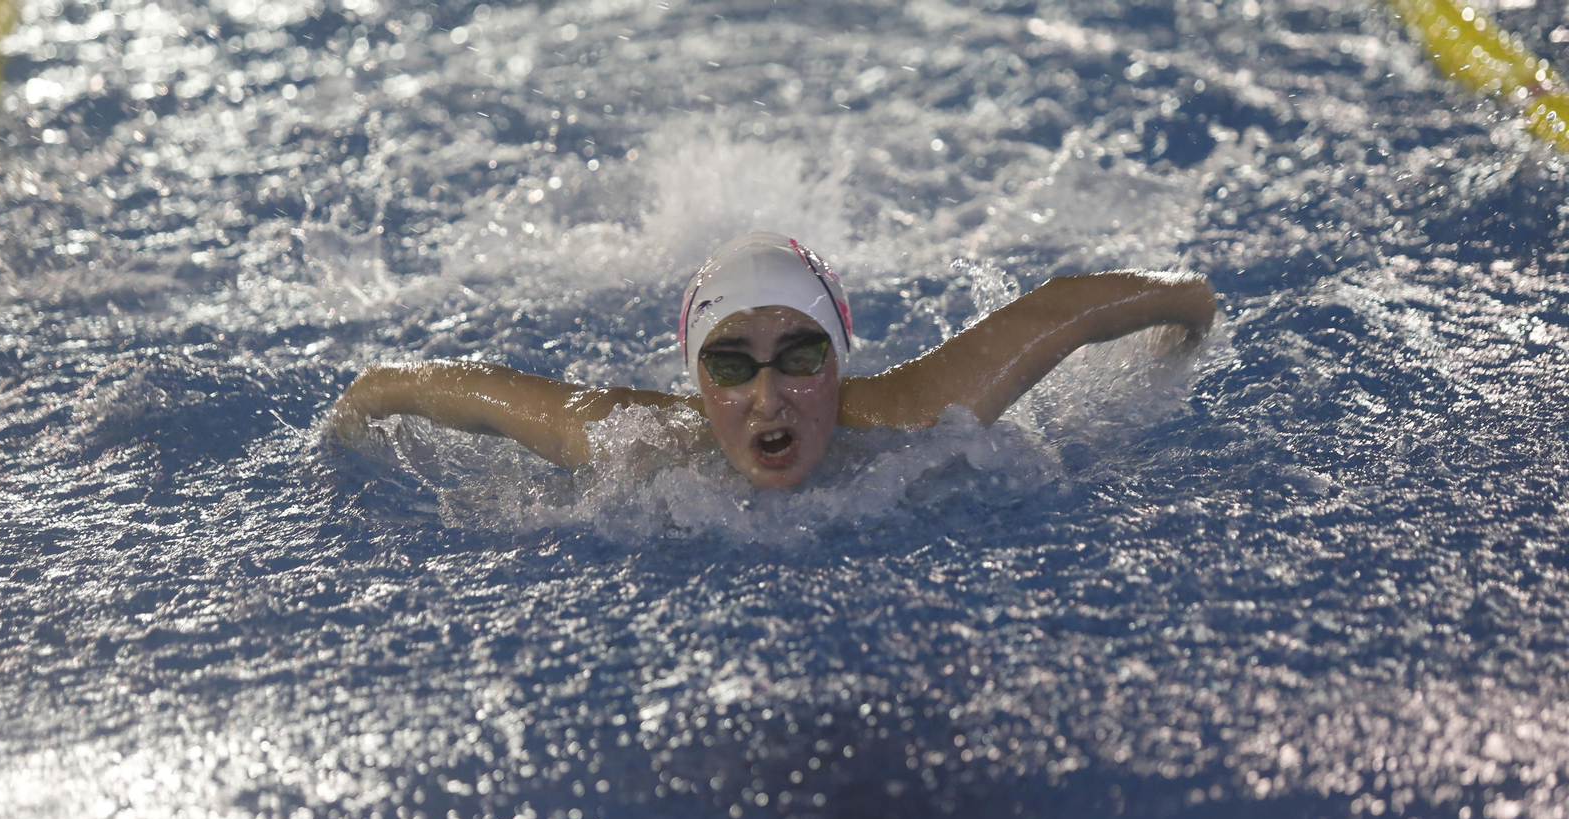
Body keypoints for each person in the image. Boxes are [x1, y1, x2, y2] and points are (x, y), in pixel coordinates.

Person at [330, 232, 1216, 489]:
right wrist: (360, 406)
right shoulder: (635, 442)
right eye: (729, 366)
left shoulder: (914, 414)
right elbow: (450, 390)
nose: (767, 400)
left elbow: (1067, 309)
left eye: (799, 357)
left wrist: (1191, 314)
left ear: (839, 362)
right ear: (692, 380)